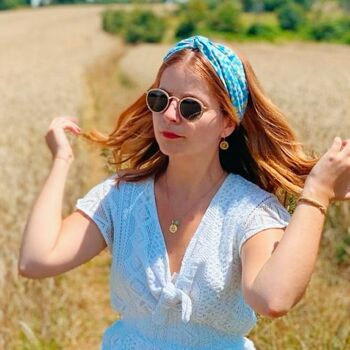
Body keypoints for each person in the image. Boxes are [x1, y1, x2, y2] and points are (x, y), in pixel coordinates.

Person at [18, 35, 350, 349]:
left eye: (190, 107)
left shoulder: (249, 210)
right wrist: (62, 159)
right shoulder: (122, 196)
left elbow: (272, 299)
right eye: (159, 100)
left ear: (227, 123)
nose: (169, 115)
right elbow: (36, 260)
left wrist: (317, 194)